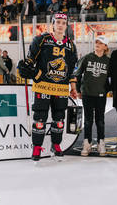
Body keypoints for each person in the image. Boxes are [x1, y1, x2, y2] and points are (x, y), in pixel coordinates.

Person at [18, 12, 78, 161]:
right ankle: (37, 147)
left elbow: (72, 70)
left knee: (59, 119)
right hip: (43, 85)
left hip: (61, 88)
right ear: (53, 24)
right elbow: (30, 60)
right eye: (57, 22)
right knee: (40, 118)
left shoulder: (71, 45)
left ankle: (56, 144)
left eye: (63, 23)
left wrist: (74, 88)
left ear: (66, 26)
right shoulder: (41, 39)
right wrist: (27, 67)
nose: (60, 25)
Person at [74, 36, 110, 157]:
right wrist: (78, 90)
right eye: (96, 42)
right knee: (88, 121)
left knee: (100, 121)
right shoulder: (87, 58)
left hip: (101, 95)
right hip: (87, 94)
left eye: (101, 43)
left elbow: (112, 78)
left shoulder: (108, 61)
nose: (98, 44)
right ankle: (87, 144)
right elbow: (77, 74)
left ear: (105, 47)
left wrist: (107, 90)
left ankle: (101, 143)